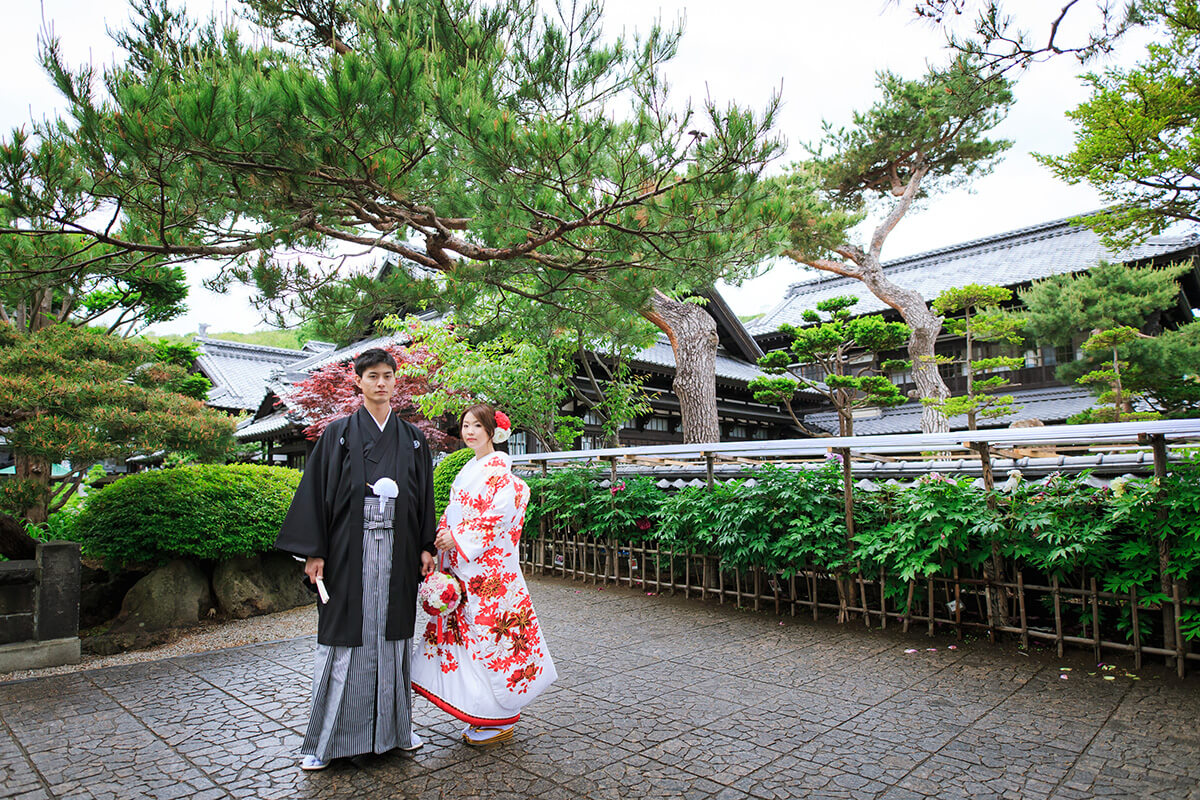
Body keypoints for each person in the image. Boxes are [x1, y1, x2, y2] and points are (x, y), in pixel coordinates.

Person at [275, 348, 436, 771]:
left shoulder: (413, 438)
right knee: (344, 639)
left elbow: (423, 497)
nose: (381, 383)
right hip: (349, 550)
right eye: (373, 376)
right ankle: (327, 742)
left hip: (399, 551)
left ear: (395, 381)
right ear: (358, 381)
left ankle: (397, 731)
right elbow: (317, 491)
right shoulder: (339, 433)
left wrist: (426, 545)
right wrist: (314, 552)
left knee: (394, 637)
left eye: (388, 376)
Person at [412, 403, 557, 747]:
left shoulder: (501, 474)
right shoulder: (468, 470)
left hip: (489, 574)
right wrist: (442, 538)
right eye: (465, 426)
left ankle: (498, 717)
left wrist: (458, 537)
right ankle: (482, 711)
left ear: (493, 431)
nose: (470, 432)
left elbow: (498, 518)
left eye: (478, 426)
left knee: (492, 641)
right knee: (471, 642)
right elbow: (452, 511)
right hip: (464, 567)